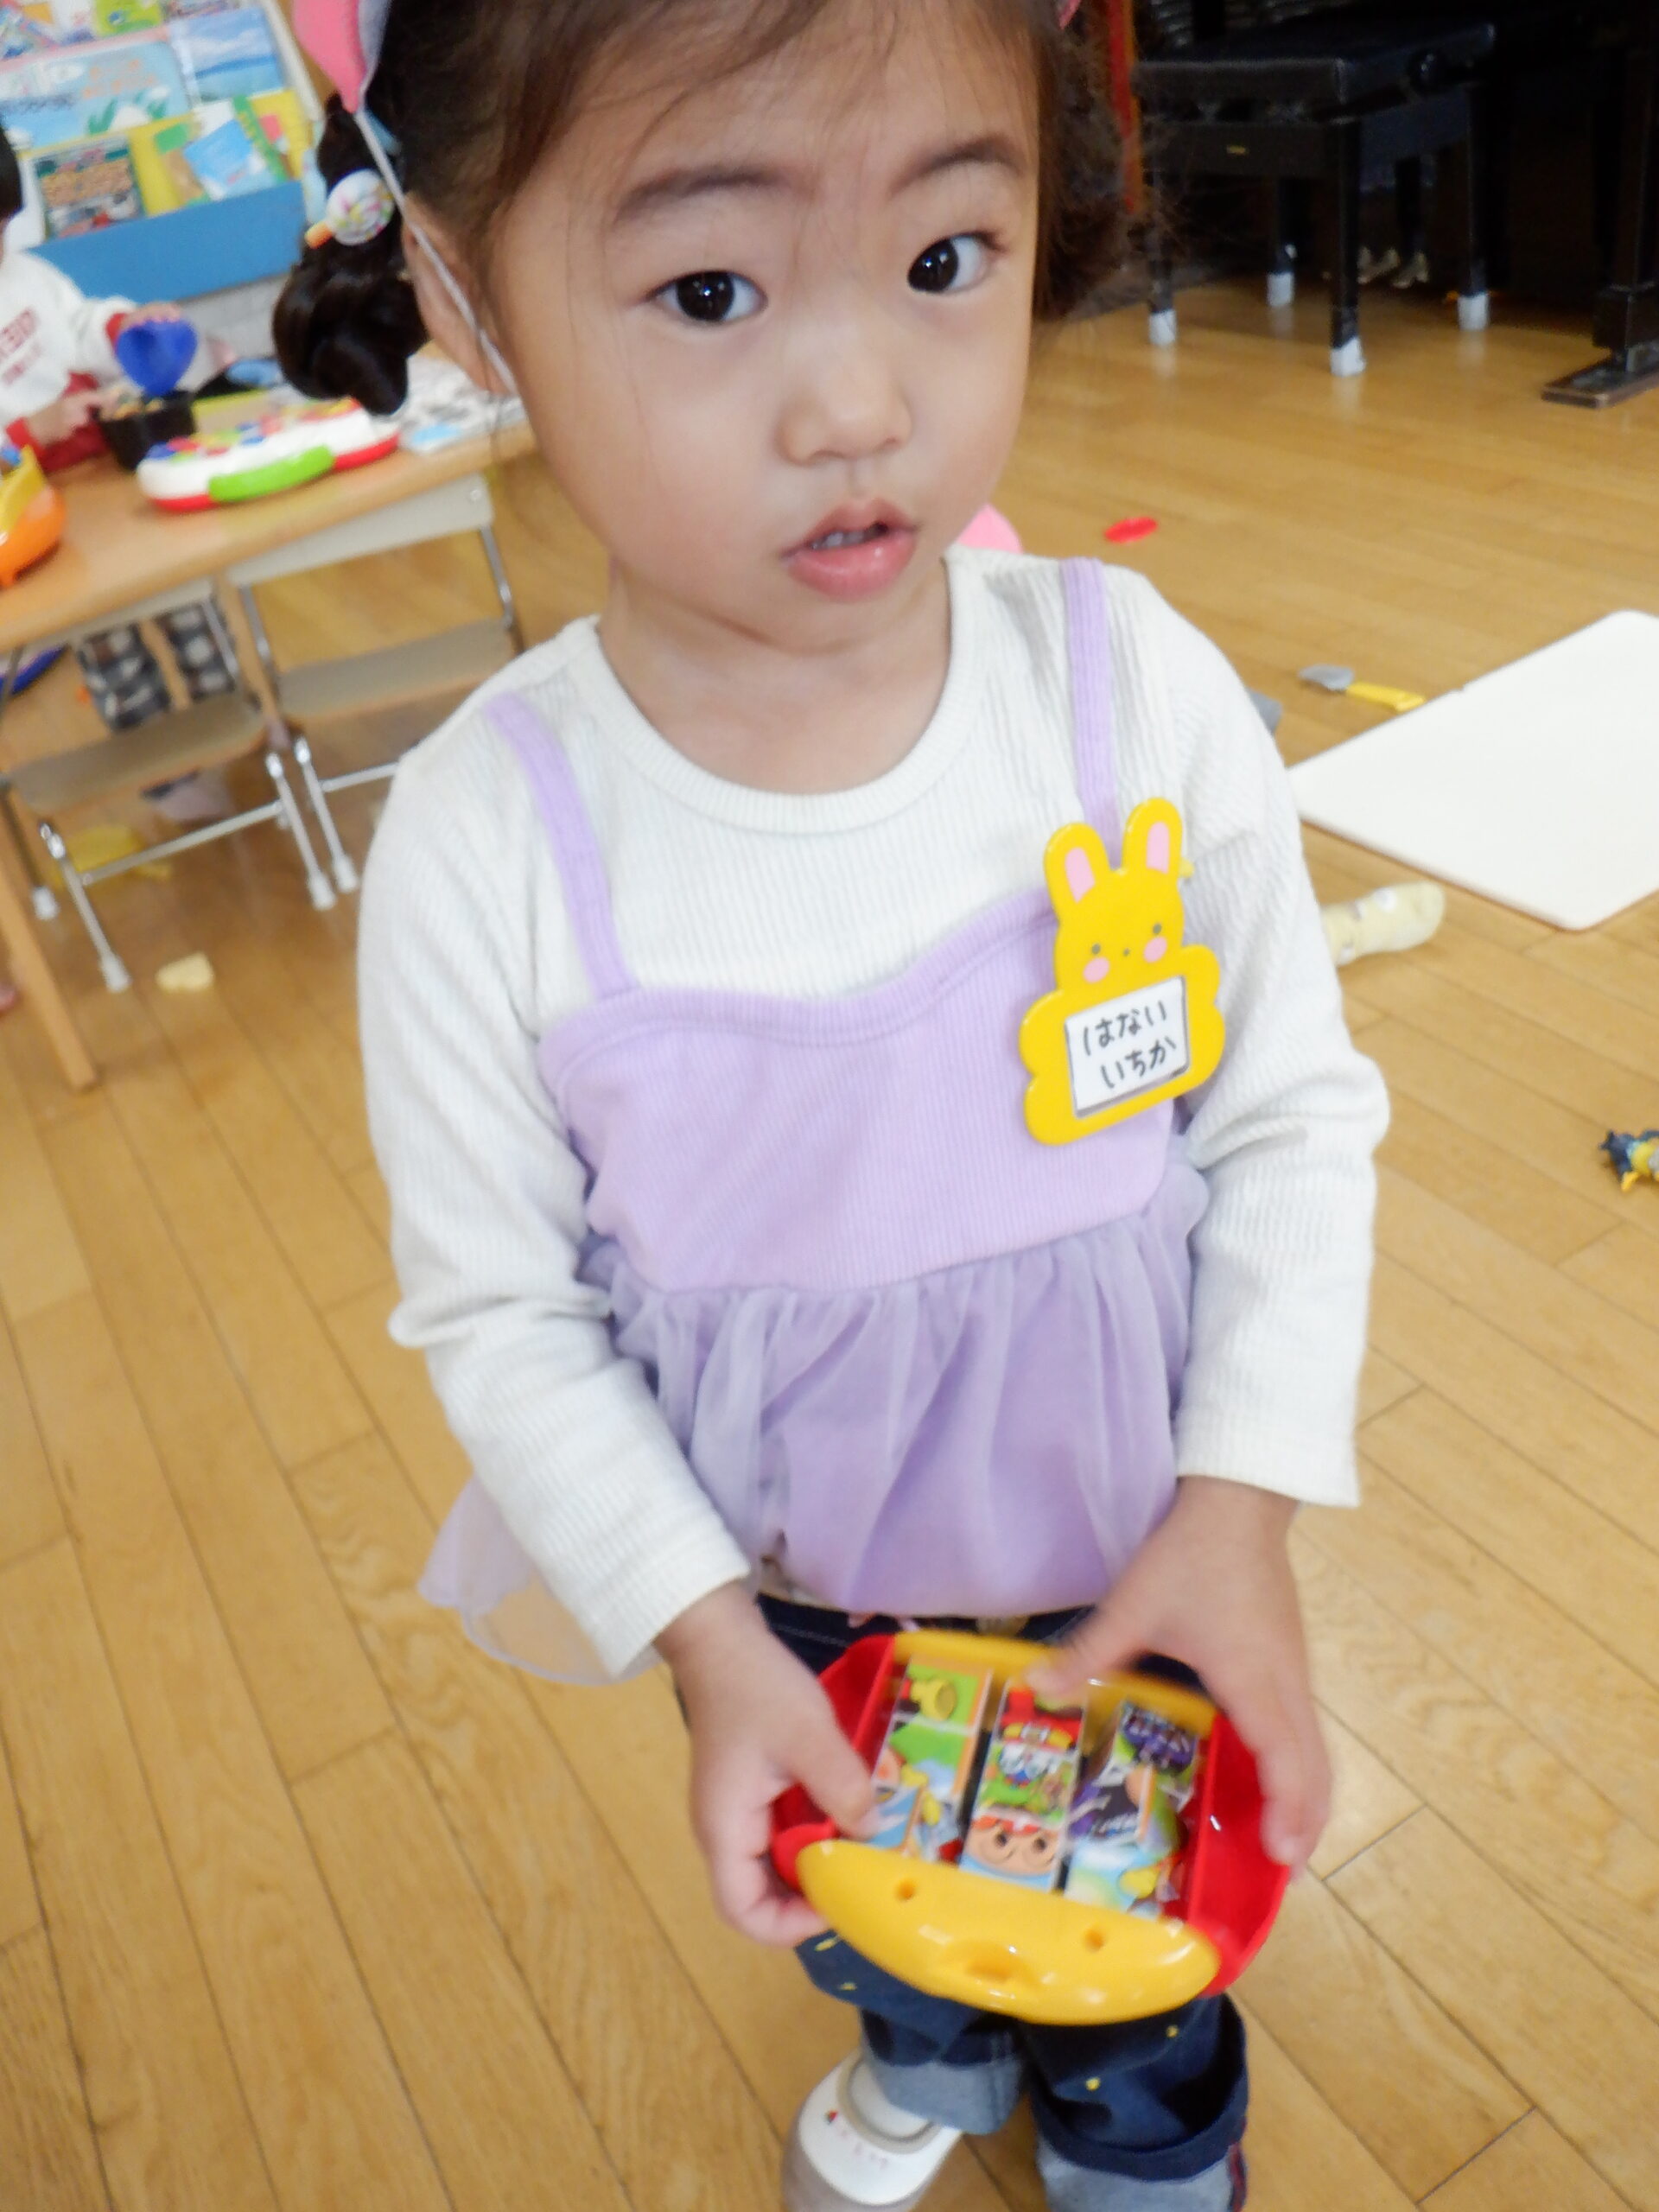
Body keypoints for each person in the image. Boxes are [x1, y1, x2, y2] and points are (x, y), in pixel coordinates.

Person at [276, 3, 1389, 2207]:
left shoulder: (1131, 694)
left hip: (1139, 1535)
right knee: (866, 1888)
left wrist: (1246, 1502)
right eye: (711, 289)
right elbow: (504, 1311)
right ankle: (931, 2064)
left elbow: (1287, 1116)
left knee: (1148, 1942)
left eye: (945, 258)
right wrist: (701, 1632)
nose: (863, 402)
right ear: (463, 294)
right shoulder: (493, 843)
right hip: (788, 1583)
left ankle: (1145, 2134)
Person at [0, 127, 238, 820]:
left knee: (185, 598)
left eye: (4, 225)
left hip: (108, 476)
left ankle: (235, 718)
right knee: (107, 641)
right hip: (38, 514)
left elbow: (79, 322)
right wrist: (27, 431)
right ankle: (163, 774)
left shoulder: (25, 275)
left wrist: (124, 325)